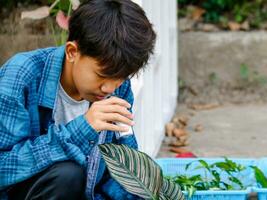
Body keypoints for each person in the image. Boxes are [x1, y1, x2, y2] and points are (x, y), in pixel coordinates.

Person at [0, 0, 156, 199]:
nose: (109, 88)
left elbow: (118, 171)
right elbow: (3, 167)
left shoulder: (119, 87)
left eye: (121, 78)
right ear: (72, 52)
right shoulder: (21, 76)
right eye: (101, 75)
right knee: (67, 175)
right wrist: (82, 129)